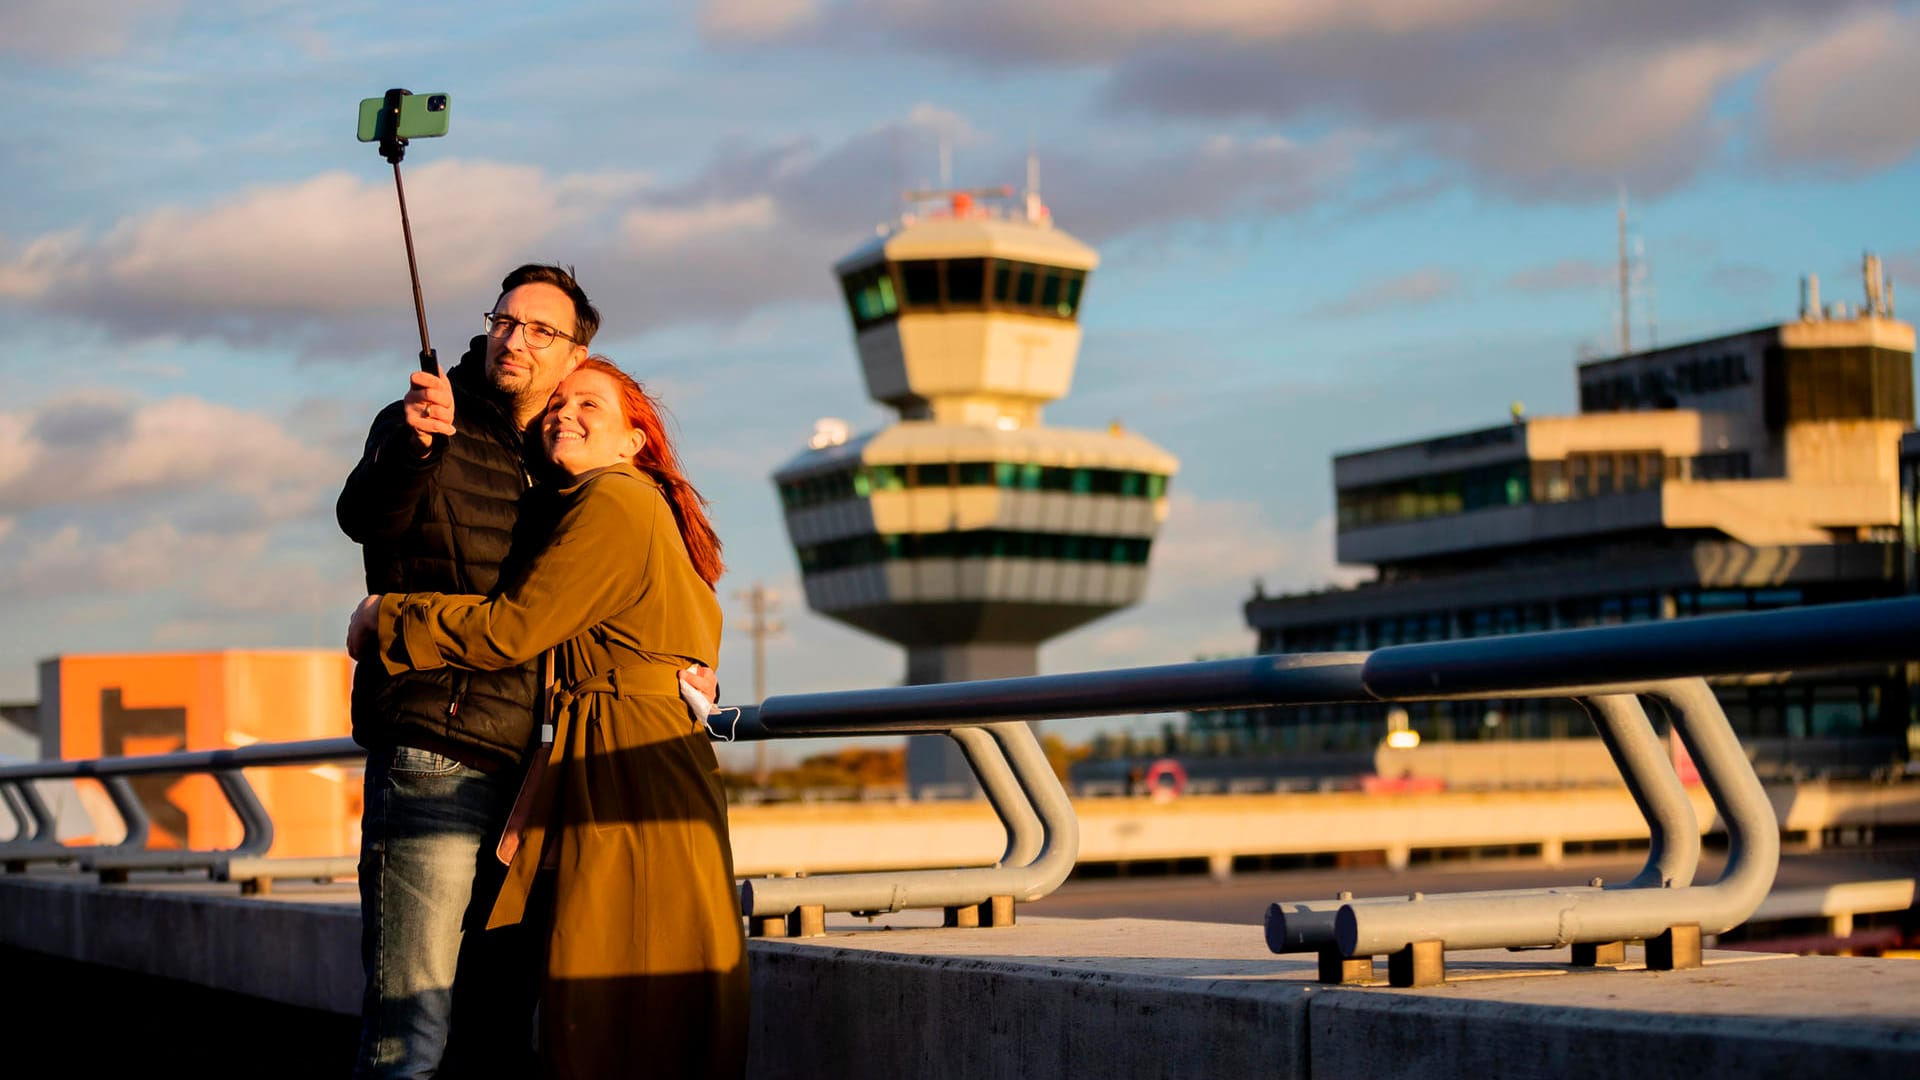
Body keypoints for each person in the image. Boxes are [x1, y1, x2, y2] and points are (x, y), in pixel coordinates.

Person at [337, 264, 718, 1077]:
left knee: (498, 1022)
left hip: (537, 772)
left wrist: (677, 663)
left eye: (542, 330)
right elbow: (366, 516)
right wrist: (411, 444)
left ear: (574, 350)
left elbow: (579, 610)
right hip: (437, 750)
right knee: (413, 1021)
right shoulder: (428, 420)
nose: (517, 338)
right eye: (506, 320)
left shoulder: (569, 472)